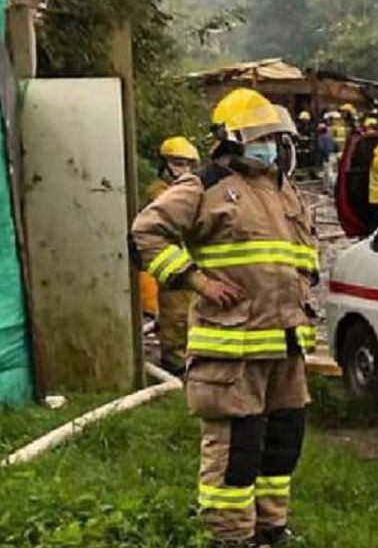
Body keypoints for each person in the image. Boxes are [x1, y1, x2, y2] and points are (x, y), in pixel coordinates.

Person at [131, 88, 318, 548]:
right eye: (261, 136)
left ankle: (271, 530)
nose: (271, 145)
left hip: (284, 344)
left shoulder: (282, 188)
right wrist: (197, 281)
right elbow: (145, 234)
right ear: (233, 139)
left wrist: (305, 282)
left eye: (275, 137)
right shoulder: (203, 186)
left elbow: (301, 253)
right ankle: (230, 538)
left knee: (281, 445)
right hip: (232, 348)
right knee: (237, 449)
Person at [142, 136, 200, 373]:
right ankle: (174, 365)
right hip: (171, 264)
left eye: (187, 164)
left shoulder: (182, 192)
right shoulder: (159, 193)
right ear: (164, 164)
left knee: (188, 315)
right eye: (177, 163)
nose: (183, 170)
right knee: (175, 317)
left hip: (188, 263)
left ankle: (185, 361)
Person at [315, 123, 338, 195]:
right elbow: (336, 146)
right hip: (333, 155)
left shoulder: (321, 138)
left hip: (327, 156)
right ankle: (327, 188)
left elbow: (321, 148)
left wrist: (324, 157)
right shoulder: (330, 136)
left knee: (328, 173)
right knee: (330, 172)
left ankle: (330, 188)